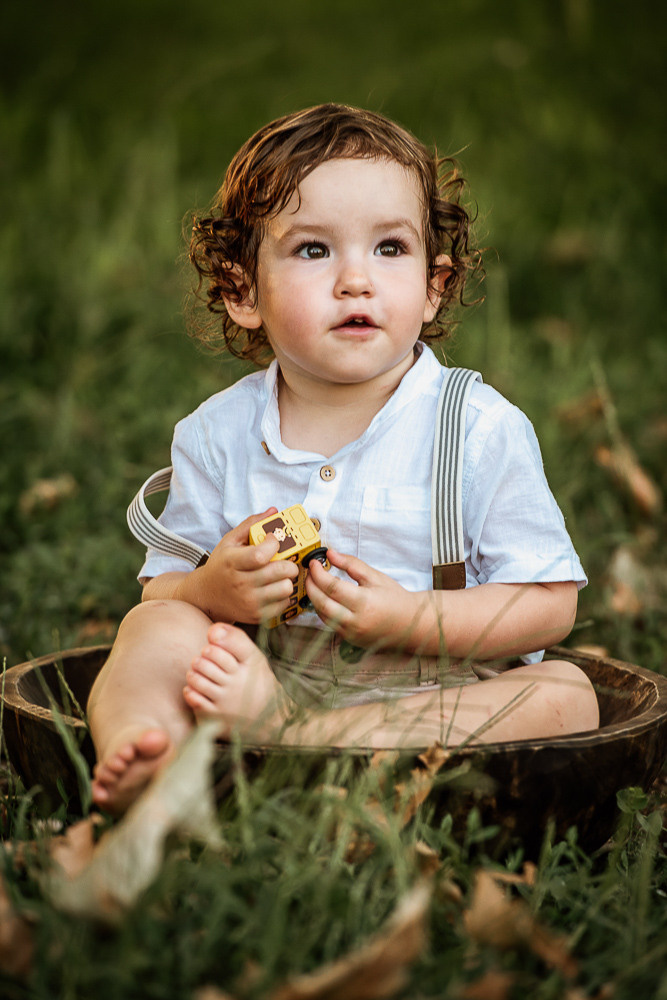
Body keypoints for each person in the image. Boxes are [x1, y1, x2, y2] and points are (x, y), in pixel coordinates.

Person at [88, 104, 599, 813]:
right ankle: (147, 753)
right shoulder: (216, 433)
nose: (355, 279)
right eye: (313, 250)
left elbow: (548, 607)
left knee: (566, 697)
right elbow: (162, 589)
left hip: (429, 701)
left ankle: (297, 744)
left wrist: (411, 617)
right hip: (257, 680)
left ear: (432, 287)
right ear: (242, 291)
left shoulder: (475, 428)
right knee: (152, 628)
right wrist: (210, 592)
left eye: (389, 249)